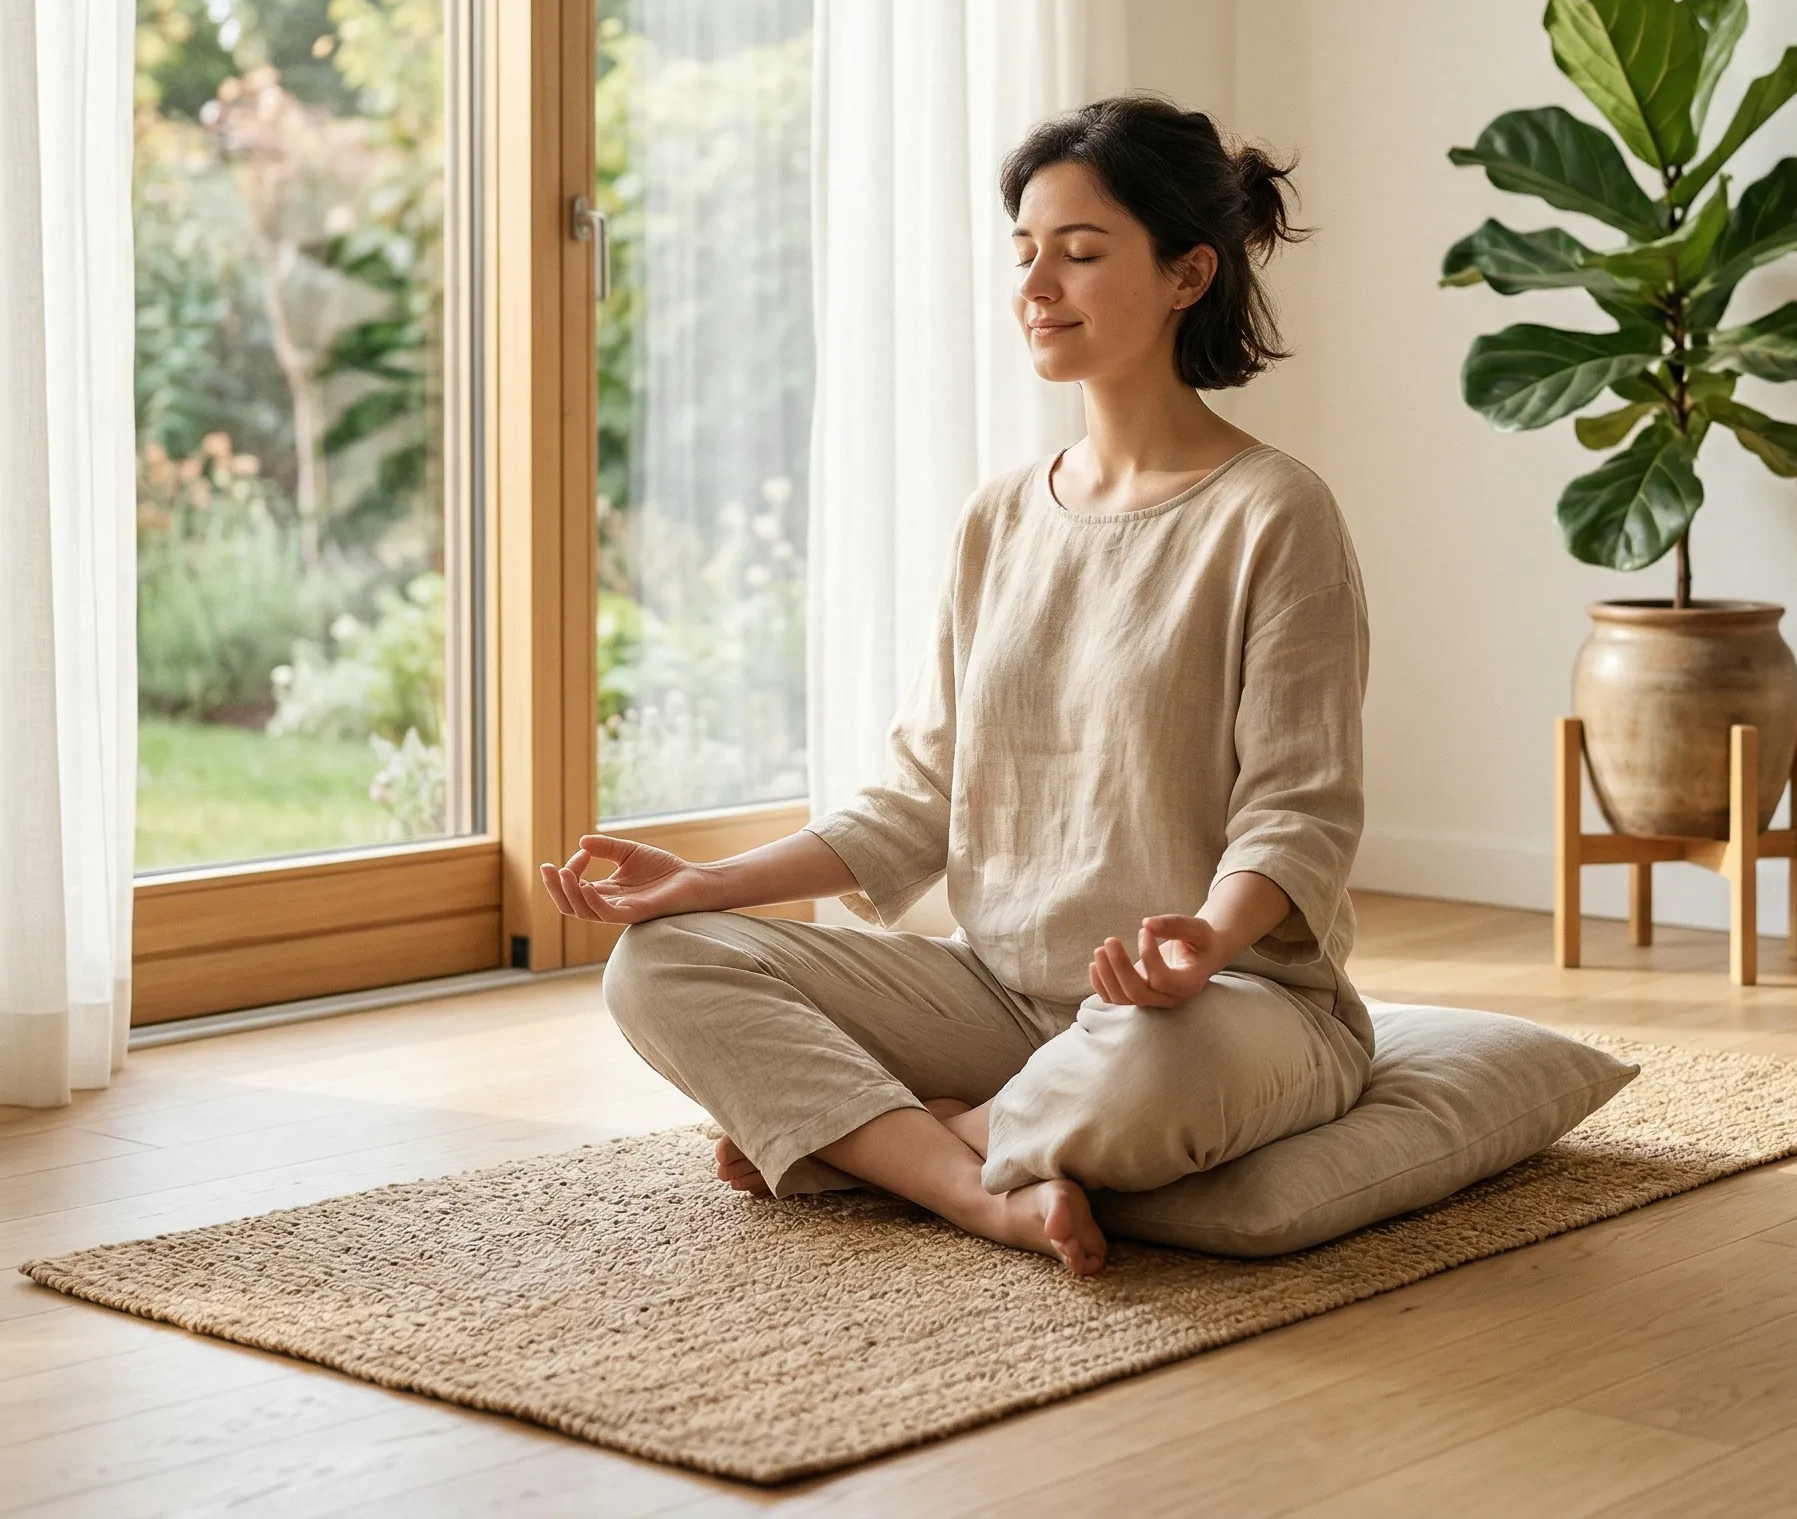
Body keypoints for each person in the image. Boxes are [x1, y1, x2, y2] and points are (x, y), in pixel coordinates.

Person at [543, 95, 1371, 1276]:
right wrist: (705, 881)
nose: (1037, 284)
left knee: (1150, 1066)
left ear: (1188, 273)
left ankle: (900, 1139)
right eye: (1025, 252)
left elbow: (1299, 812)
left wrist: (1202, 936)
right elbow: (920, 799)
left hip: (1225, 1002)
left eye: (1080, 254)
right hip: (998, 994)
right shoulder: (998, 517)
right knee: (664, 961)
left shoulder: (1273, 512)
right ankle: (975, 1187)